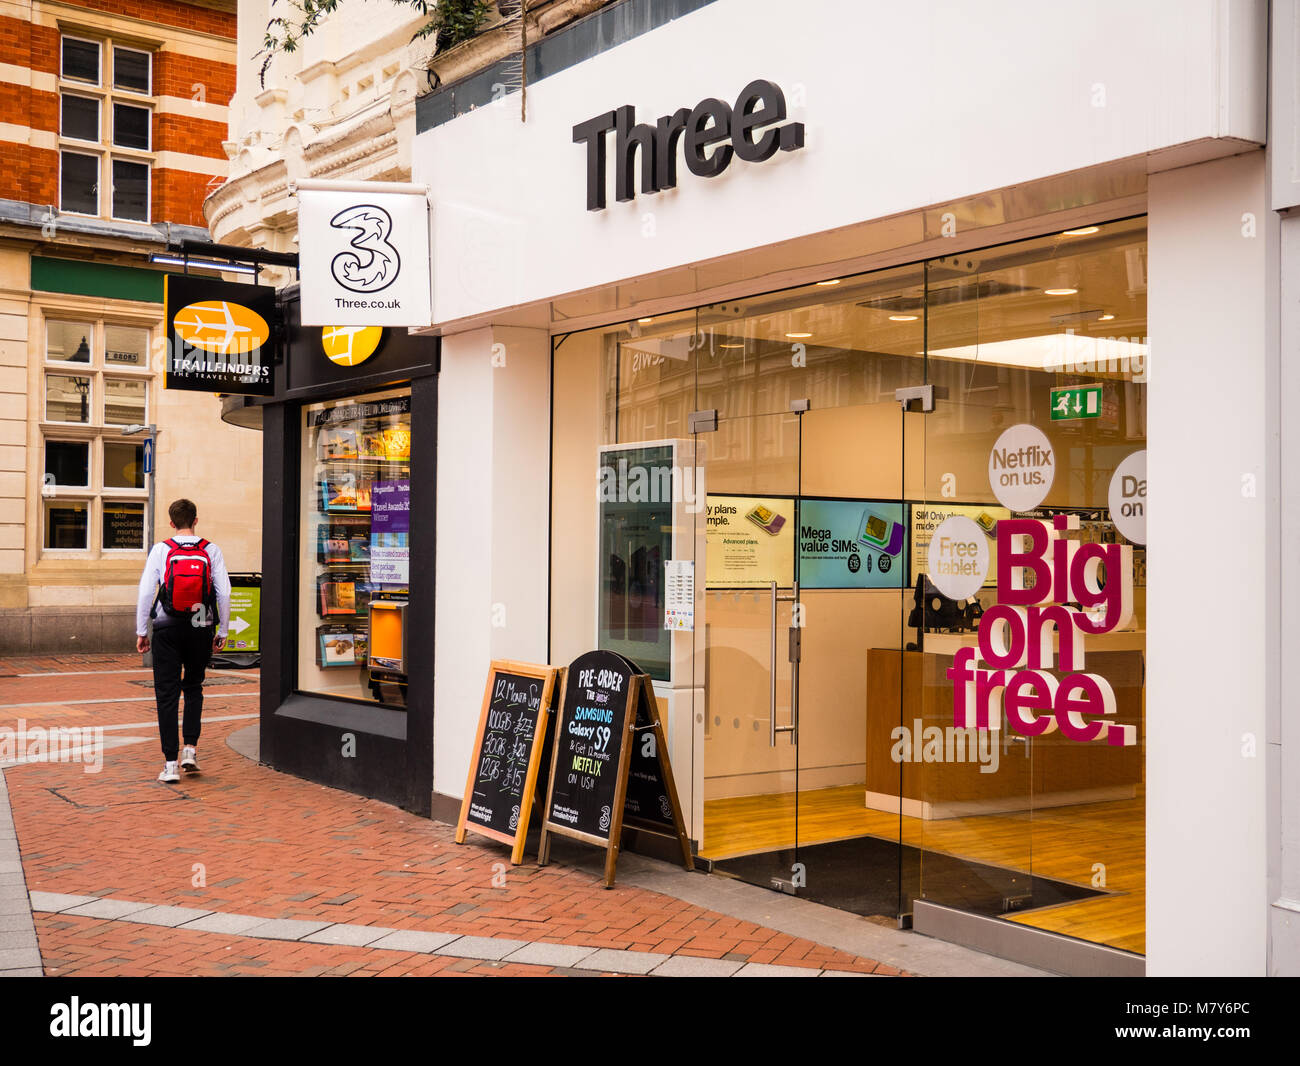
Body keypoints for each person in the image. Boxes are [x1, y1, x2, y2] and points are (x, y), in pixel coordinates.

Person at [135, 499, 231, 784]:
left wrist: (142, 631)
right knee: (193, 687)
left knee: (166, 695)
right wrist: (222, 631)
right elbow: (223, 593)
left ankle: (170, 764)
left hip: (167, 629)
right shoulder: (211, 549)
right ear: (196, 521)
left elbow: (145, 592)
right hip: (200, 627)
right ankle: (190, 749)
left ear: (171, 522)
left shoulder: (161, 549)